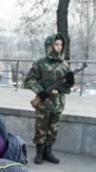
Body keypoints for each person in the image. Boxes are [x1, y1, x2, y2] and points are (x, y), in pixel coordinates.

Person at [24, 33, 74, 164]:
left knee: (53, 130)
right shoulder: (40, 64)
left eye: (61, 45)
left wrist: (70, 82)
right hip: (43, 104)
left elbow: (67, 87)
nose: (58, 47)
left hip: (58, 104)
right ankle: (39, 153)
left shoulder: (65, 65)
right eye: (56, 44)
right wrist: (40, 92)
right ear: (50, 46)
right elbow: (29, 80)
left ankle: (48, 152)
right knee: (41, 129)